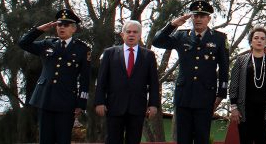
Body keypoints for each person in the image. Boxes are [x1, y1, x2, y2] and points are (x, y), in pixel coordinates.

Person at [152, 0, 229, 144]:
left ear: (208, 18)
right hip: (184, 95)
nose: (198, 19)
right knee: (183, 138)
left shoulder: (219, 38)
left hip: (206, 96)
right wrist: (172, 25)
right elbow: (157, 42)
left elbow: (224, 68)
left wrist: (221, 94)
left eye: (202, 16)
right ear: (191, 17)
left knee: (202, 137)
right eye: (195, 16)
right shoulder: (181, 35)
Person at [18, 8, 90, 144]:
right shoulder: (47, 44)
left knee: (63, 139)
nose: (61, 27)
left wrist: (81, 104)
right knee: (45, 139)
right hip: (45, 99)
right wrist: (39, 30)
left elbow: (85, 78)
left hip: (66, 101)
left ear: (73, 29)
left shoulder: (82, 49)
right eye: (59, 24)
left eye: (66, 25)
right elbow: (23, 43)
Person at [94, 20, 161, 144]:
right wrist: (99, 102)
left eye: (135, 32)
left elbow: (153, 83)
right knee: (113, 140)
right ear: (122, 34)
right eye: (128, 32)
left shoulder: (149, 55)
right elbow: (102, 80)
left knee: (134, 140)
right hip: (114, 106)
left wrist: (153, 104)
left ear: (140, 35)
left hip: (137, 107)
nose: (131, 34)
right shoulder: (110, 53)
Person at [228, 27, 266, 144]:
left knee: (262, 141)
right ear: (251, 41)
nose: (259, 41)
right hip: (244, 110)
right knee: (245, 141)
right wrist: (233, 108)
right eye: (256, 38)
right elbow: (233, 86)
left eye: (262, 39)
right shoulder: (241, 60)